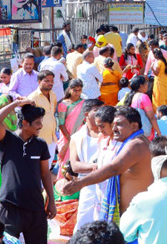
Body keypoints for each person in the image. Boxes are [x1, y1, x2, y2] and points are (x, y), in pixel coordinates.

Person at [63, 107, 154, 221]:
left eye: (119, 124)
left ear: (134, 126)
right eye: (113, 124)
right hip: (129, 213)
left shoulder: (136, 144)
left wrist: (81, 183)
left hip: (134, 215)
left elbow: (113, 169)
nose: (114, 128)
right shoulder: (132, 141)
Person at [0, 99, 56, 244]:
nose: (41, 126)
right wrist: (16, 104)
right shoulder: (7, 140)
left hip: (36, 207)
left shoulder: (40, 144)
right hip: (10, 207)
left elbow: (45, 173)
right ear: (25, 123)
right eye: (38, 123)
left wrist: (51, 201)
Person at [69, 99, 105, 233]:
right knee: (84, 222)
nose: (100, 114)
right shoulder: (77, 137)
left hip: (107, 181)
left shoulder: (108, 134)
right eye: (96, 110)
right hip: (87, 183)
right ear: (86, 114)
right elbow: (75, 166)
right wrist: (97, 166)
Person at [27, 71, 58, 159]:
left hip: (51, 138)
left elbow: (52, 112)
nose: (50, 83)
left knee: (47, 168)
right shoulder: (32, 98)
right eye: (47, 81)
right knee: (36, 170)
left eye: (52, 81)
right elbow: (28, 119)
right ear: (39, 81)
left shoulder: (53, 95)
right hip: (38, 139)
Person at [57, 79, 86, 169]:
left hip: (80, 135)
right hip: (67, 136)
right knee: (65, 164)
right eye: (75, 90)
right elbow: (61, 124)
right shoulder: (64, 104)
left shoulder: (84, 103)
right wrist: (69, 138)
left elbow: (85, 121)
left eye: (79, 90)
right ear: (69, 89)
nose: (77, 93)